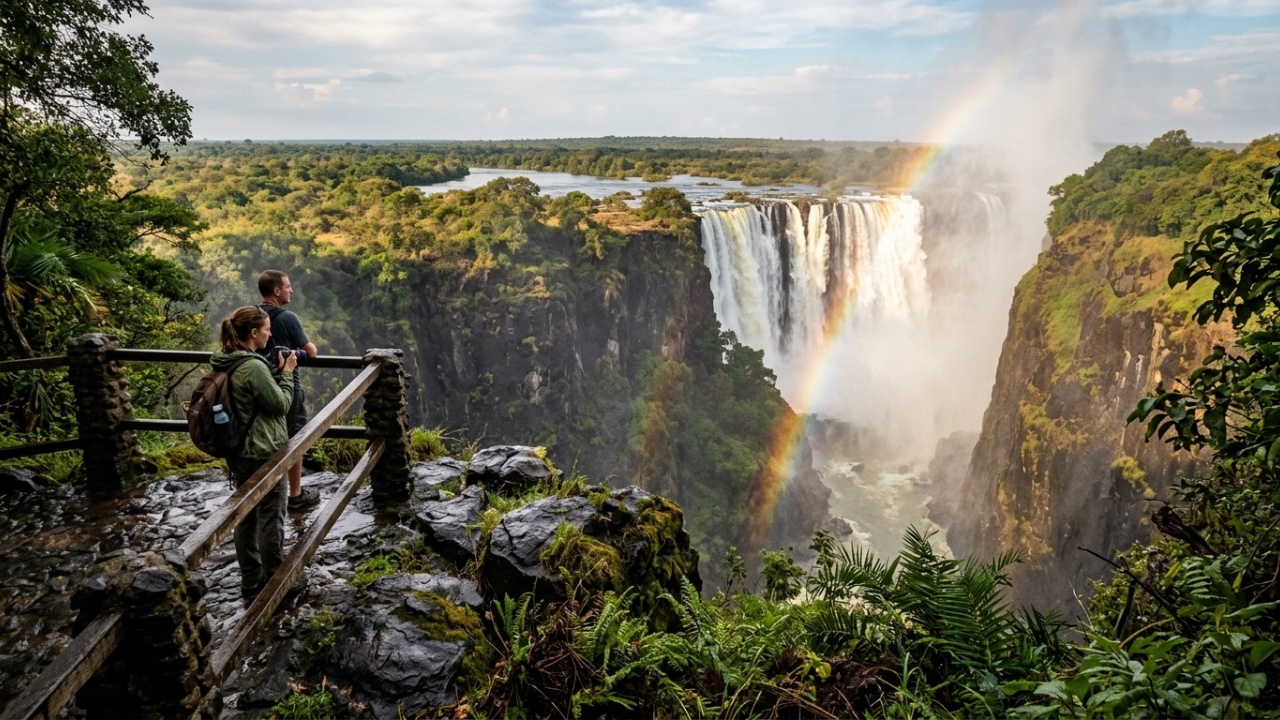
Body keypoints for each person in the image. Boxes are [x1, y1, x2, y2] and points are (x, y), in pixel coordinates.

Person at [212, 306, 298, 604]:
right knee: (271, 515)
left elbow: (250, 397)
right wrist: (286, 374)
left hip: (238, 449)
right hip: (263, 451)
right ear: (253, 333)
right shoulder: (253, 366)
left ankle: (251, 580)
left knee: (246, 515)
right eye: (266, 329)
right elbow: (279, 405)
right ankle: (276, 580)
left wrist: (272, 372)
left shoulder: (226, 361)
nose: (270, 333)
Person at [257, 270, 320, 512]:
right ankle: (295, 494)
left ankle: (266, 490)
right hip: (288, 386)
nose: (291, 290)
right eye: (288, 286)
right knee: (295, 437)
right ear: (276, 291)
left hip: (260, 384)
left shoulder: (254, 316)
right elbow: (311, 351)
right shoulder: (287, 318)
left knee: (267, 434)